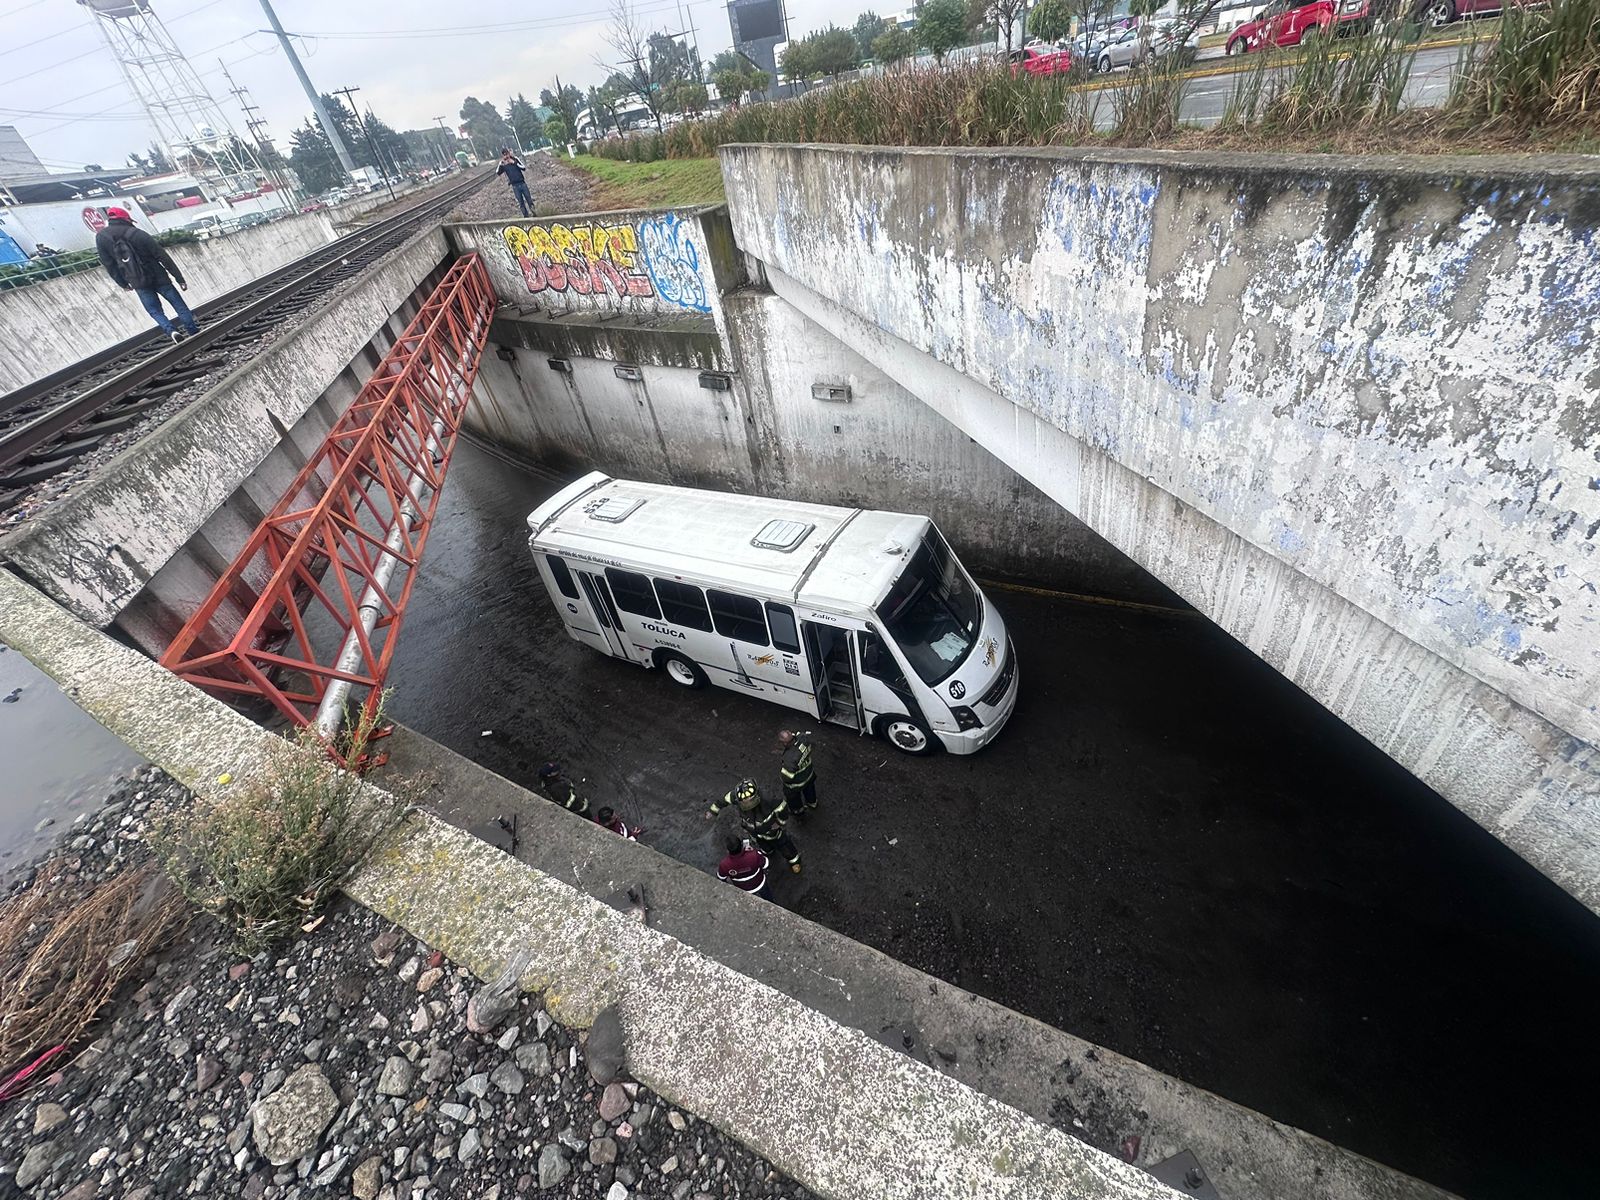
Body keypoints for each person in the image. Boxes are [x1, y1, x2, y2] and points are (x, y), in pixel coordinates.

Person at [94, 207, 200, 344]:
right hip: (159, 277)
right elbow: (162, 256)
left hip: (137, 281)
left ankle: (171, 330)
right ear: (126, 219)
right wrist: (179, 278)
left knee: (154, 311)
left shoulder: (102, 238)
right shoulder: (138, 233)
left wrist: (123, 283)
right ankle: (193, 331)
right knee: (179, 305)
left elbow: (109, 264)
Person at [705, 778, 801, 874]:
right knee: (764, 846)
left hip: (772, 831)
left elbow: (783, 807)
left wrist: (780, 823)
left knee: (784, 845)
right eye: (744, 801)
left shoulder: (768, 798)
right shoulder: (736, 796)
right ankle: (769, 851)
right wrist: (713, 811)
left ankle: (794, 860)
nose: (747, 802)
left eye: (749, 800)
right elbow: (723, 800)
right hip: (755, 833)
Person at [778, 729, 818, 818]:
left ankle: (798, 811)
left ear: (784, 743)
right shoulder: (803, 738)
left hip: (798, 783)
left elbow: (786, 778)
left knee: (792, 796)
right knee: (810, 789)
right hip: (809, 773)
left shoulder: (789, 759)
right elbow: (811, 744)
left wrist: (783, 780)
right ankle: (812, 803)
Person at [496, 148, 534, 218]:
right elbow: (497, 172)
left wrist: (514, 163)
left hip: (522, 183)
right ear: (502, 156)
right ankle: (526, 217)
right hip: (515, 186)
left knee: (529, 199)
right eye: (504, 155)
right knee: (521, 203)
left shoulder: (515, 159)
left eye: (507, 154)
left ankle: (535, 214)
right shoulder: (503, 164)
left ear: (509, 153)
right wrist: (500, 164)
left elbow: (524, 168)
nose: (506, 156)